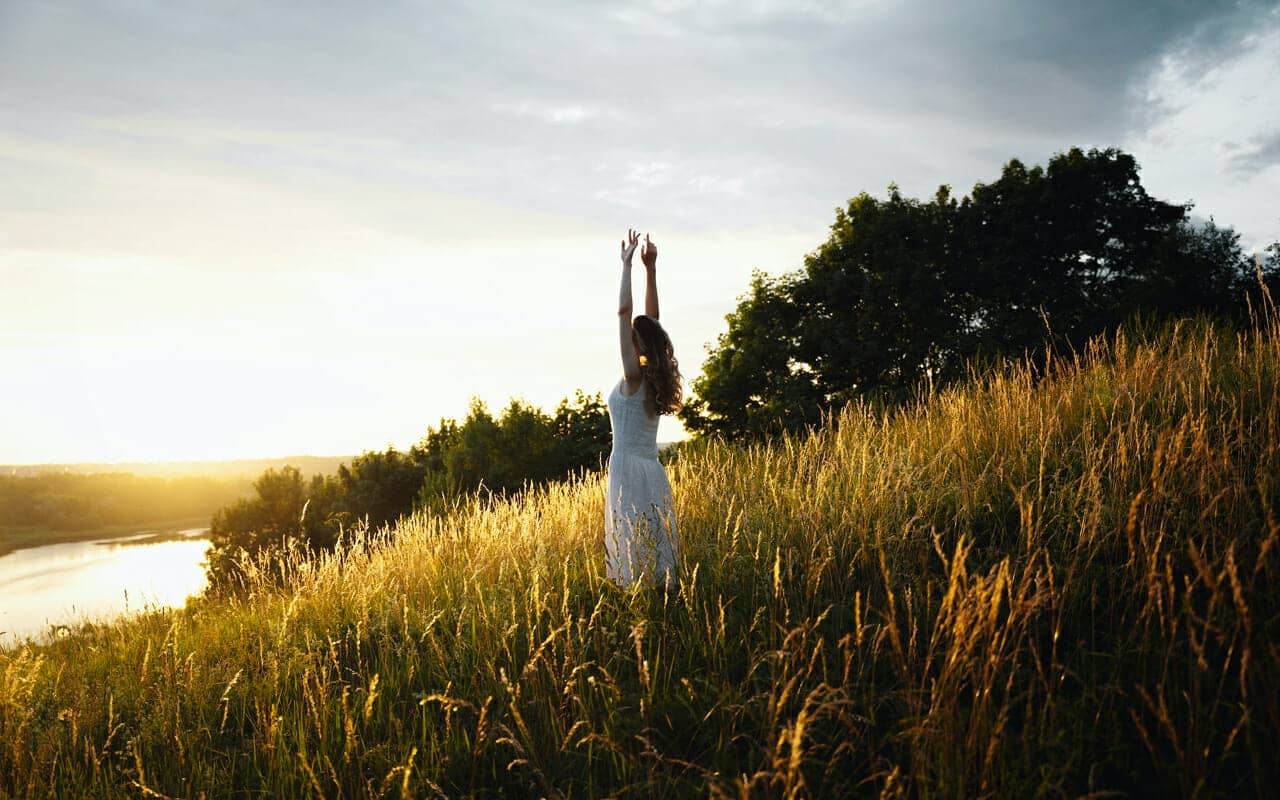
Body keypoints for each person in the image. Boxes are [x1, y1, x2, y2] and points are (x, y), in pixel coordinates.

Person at [605, 228, 683, 590]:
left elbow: (625, 313)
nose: (629, 333)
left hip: (627, 469)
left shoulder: (634, 375)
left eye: (633, 332)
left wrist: (626, 266)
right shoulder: (655, 375)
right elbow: (652, 320)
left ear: (637, 340)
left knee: (632, 550)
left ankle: (642, 612)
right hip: (651, 469)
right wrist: (650, 269)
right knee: (653, 549)